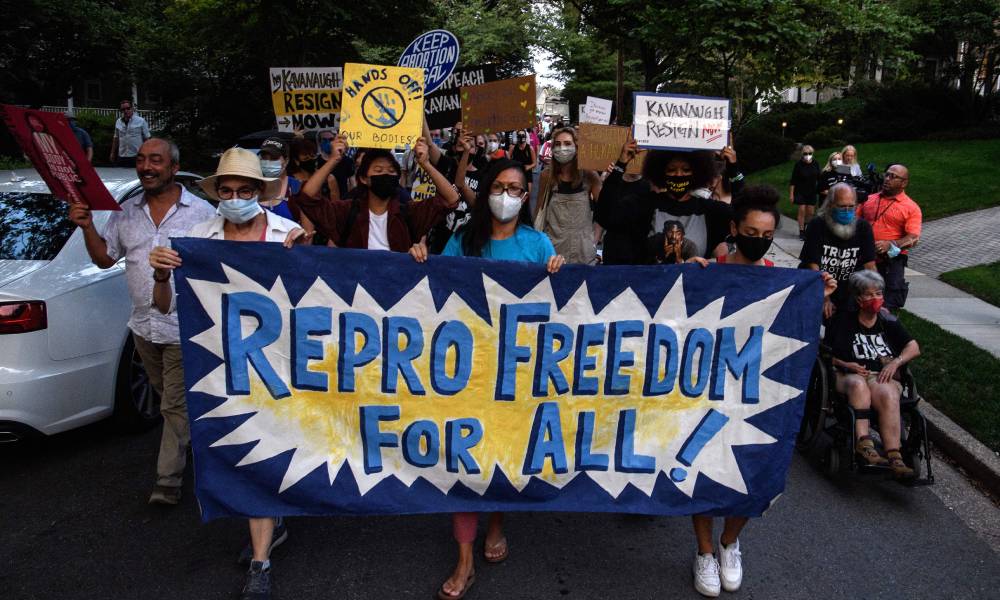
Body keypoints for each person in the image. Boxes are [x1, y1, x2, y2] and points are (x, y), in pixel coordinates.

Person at [148, 147, 311, 600]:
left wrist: (306, 257)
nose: (235, 197)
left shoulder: (287, 233)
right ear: (217, 194)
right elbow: (164, 308)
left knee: (275, 446)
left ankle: (266, 544)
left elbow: (319, 299)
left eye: (244, 190)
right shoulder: (198, 238)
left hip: (279, 364)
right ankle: (265, 542)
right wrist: (161, 276)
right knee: (246, 450)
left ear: (260, 193)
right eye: (227, 190)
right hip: (221, 367)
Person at [408, 158, 564, 600]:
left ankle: (496, 522)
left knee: (504, 453)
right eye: (499, 186)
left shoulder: (537, 245)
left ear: (526, 195)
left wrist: (558, 270)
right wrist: (421, 260)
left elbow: (557, 307)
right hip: (467, 370)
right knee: (464, 458)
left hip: (516, 373)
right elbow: (437, 289)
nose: (506, 196)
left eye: (516, 189)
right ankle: (464, 560)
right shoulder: (463, 239)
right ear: (487, 189)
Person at [688, 185, 836, 597]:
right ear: (734, 228)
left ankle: (729, 542)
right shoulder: (709, 270)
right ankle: (703, 552)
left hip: (756, 399)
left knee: (755, 473)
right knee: (703, 470)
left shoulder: (784, 281)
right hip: (706, 393)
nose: (759, 239)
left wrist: (815, 297)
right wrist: (688, 276)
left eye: (767, 233)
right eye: (751, 231)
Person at [67, 138, 216, 504]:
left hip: (185, 327)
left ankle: (168, 482)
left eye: (156, 160)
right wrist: (86, 226)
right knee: (168, 396)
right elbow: (104, 259)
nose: (146, 167)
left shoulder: (201, 213)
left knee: (173, 405)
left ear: (173, 167)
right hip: (143, 328)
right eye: (141, 160)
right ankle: (197, 438)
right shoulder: (125, 211)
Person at [824, 270, 920, 479]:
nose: (875, 299)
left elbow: (913, 347)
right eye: (869, 295)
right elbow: (825, 353)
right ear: (858, 299)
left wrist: (896, 363)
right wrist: (846, 364)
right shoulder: (844, 321)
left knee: (887, 392)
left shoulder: (887, 321)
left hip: (880, 375)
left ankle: (895, 455)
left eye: (878, 293)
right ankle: (864, 444)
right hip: (848, 375)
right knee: (859, 385)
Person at [292, 135, 459, 250]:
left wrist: (426, 164)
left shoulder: (408, 213)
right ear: (364, 178)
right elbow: (307, 197)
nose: (385, 175)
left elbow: (451, 199)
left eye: (391, 171)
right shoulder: (347, 212)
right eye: (378, 170)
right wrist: (333, 159)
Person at [601, 134, 732, 262]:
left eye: (686, 170)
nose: (679, 174)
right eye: (671, 170)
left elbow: (743, 215)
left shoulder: (709, 210)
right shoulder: (644, 204)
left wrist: (734, 170)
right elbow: (606, 215)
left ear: (697, 172)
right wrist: (621, 164)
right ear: (660, 172)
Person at [800, 182, 877, 317]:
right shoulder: (817, 225)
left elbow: (869, 265)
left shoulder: (863, 227)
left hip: (848, 291)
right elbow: (813, 265)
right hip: (818, 286)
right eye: (842, 207)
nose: (847, 211)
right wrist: (824, 297)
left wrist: (874, 297)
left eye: (851, 207)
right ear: (830, 205)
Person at [534, 127, 603, 264]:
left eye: (567, 143)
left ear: (576, 147)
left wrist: (594, 239)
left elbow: (604, 211)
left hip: (584, 252)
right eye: (557, 144)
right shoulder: (546, 176)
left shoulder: (590, 175)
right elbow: (539, 211)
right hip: (554, 253)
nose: (562, 148)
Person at [857, 164, 921, 311]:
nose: (887, 179)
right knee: (859, 295)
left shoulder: (911, 207)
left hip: (891, 260)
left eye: (893, 177)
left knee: (888, 302)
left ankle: (886, 330)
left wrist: (890, 244)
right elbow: (855, 223)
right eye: (887, 174)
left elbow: (913, 237)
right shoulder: (869, 199)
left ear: (904, 183)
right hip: (865, 257)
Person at [256, 137, 313, 232]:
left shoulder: (298, 188)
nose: (268, 162)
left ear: (286, 161)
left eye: (274, 158)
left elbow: (307, 234)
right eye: (264, 158)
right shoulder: (252, 188)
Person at [789, 145, 821, 240]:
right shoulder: (798, 165)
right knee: (802, 210)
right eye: (805, 154)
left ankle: (807, 228)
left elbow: (819, 178)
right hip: (800, 191)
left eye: (810, 153)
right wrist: (791, 194)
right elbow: (793, 181)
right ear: (802, 154)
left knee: (810, 212)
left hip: (812, 191)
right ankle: (801, 231)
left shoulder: (815, 164)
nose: (808, 155)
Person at [316, 129, 355, 201]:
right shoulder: (315, 162)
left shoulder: (347, 161)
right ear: (319, 141)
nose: (327, 142)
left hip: (342, 204)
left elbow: (353, 183)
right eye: (324, 140)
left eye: (331, 139)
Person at [110, 99, 150, 168]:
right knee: (121, 176)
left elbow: (147, 139)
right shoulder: (118, 122)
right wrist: (112, 153)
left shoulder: (141, 121)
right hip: (122, 156)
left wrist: (148, 155)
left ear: (132, 108)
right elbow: (116, 138)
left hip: (136, 156)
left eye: (128, 108)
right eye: (123, 109)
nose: (126, 111)